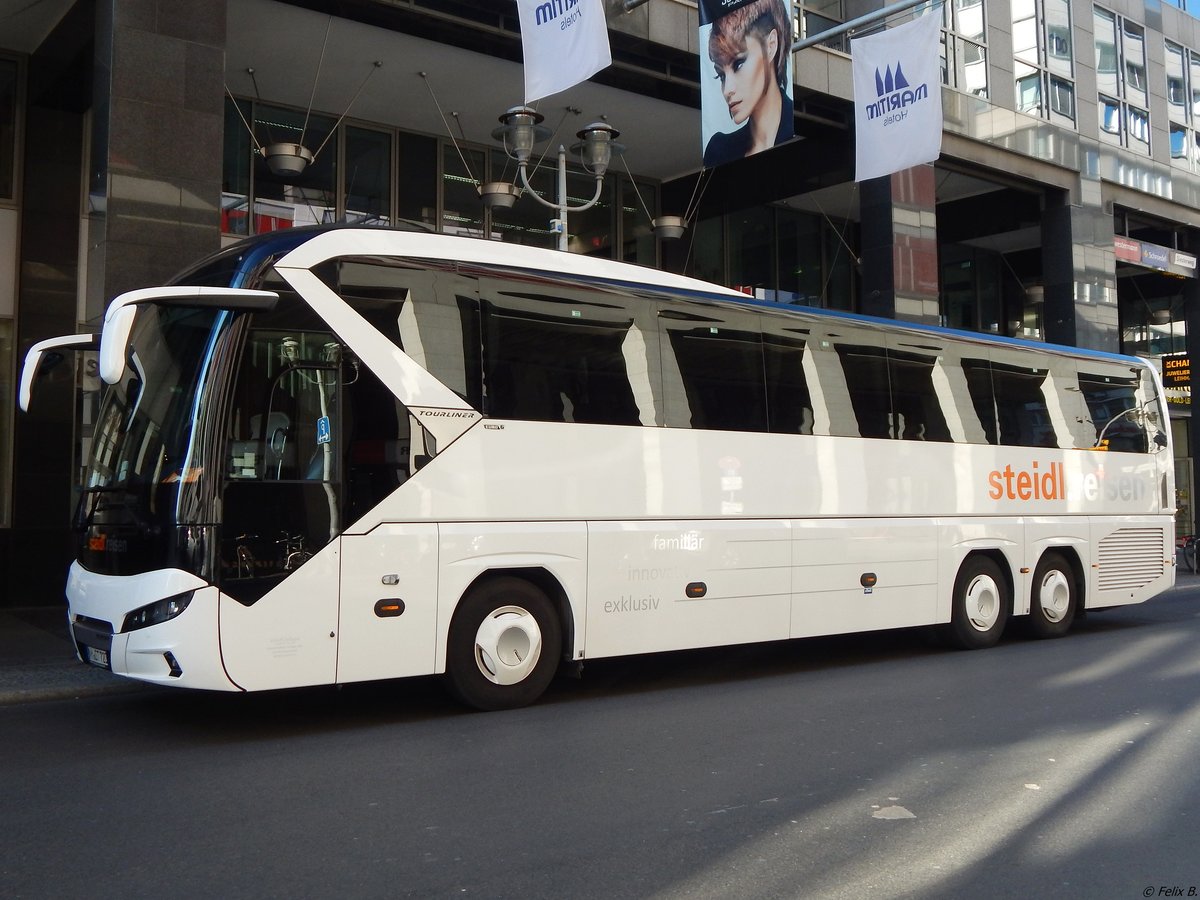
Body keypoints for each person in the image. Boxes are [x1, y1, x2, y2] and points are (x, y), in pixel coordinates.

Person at [703, 0, 794, 167]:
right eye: (721, 75)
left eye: (738, 64)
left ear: (771, 45)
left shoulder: (798, 134)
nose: (727, 90)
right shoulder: (719, 151)